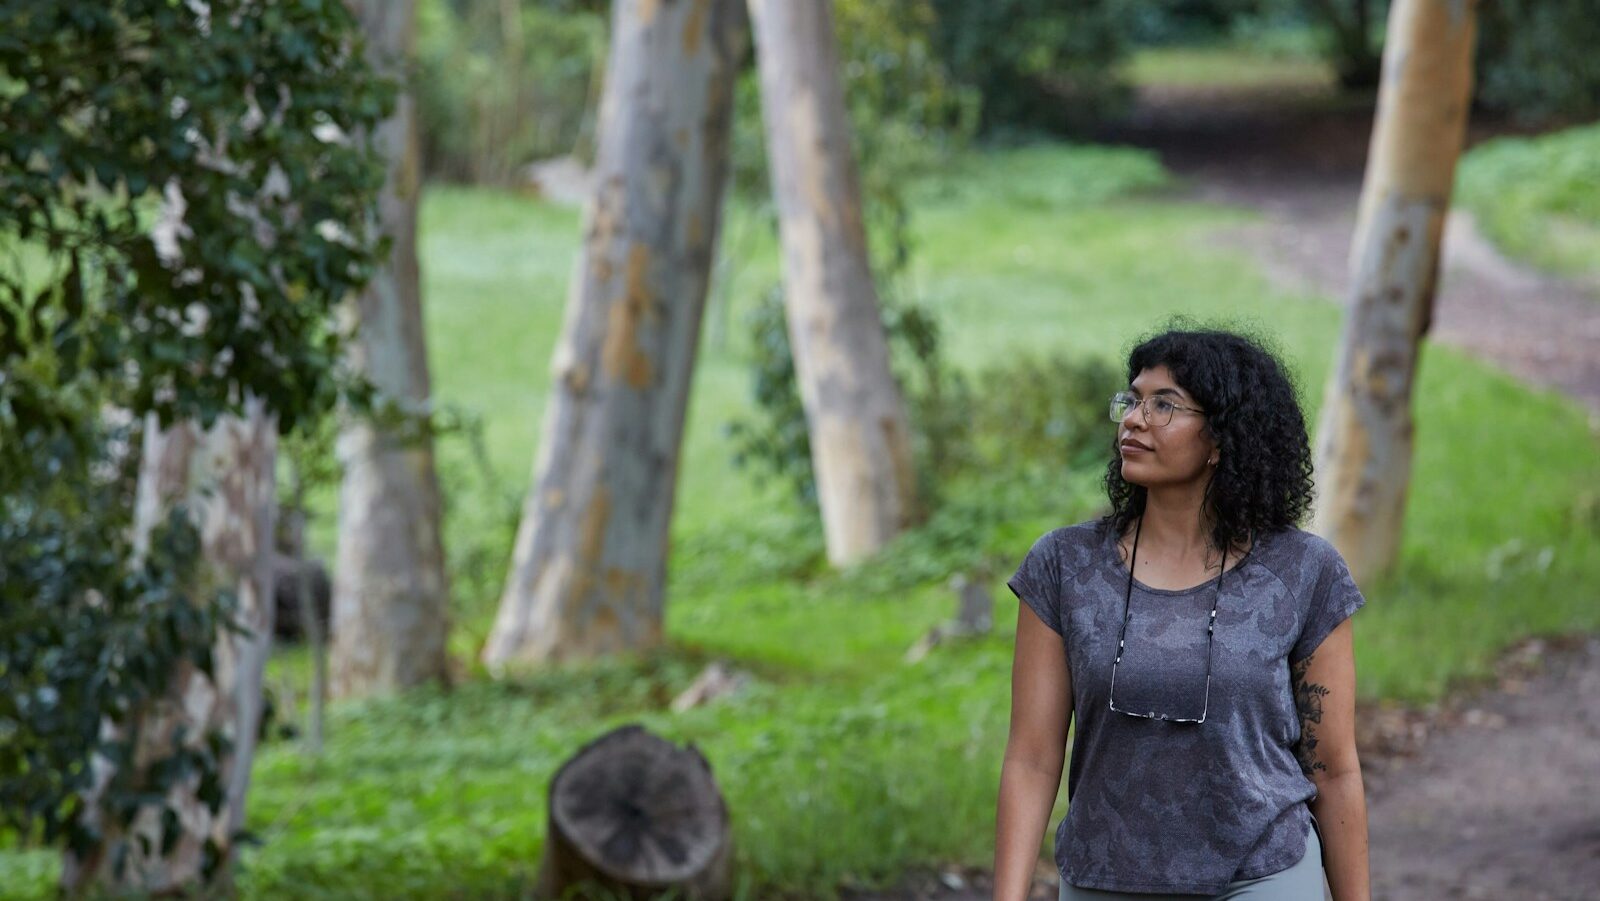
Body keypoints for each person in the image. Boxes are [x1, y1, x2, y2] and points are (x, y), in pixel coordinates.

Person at [992, 327, 1370, 901]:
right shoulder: (1064, 566)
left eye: (1164, 404)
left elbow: (1334, 769)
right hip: (1104, 878)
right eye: (1133, 399)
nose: (1134, 419)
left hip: (1260, 874)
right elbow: (1032, 758)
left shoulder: (1303, 572)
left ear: (1221, 438)